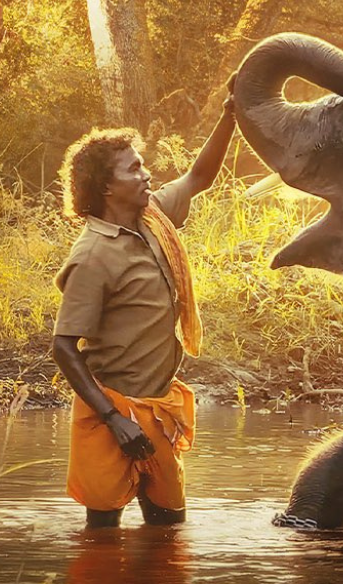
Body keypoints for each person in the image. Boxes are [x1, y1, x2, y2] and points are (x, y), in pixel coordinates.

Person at [52, 100, 236, 527]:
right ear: (106, 188)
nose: (146, 174)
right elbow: (63, 346)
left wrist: (229, 115)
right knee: (101, 537)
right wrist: (114, 419)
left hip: (157, 409)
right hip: (110, 415)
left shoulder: (152, 218)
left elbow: (199, 177)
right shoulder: (93, 255)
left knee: (168, 530)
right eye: (133, 169)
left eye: (142, 165)